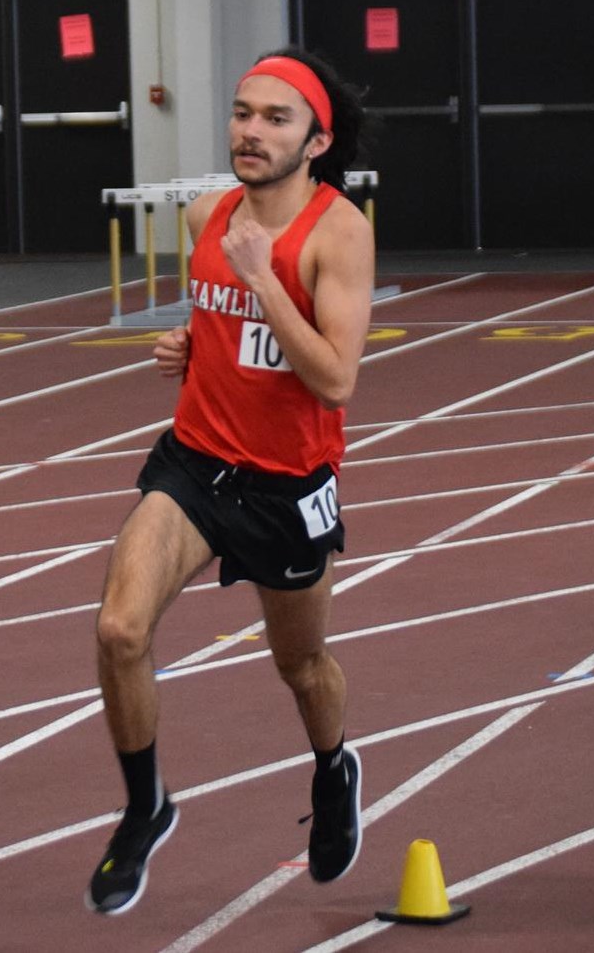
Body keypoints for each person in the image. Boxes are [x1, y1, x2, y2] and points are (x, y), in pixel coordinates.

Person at [86, 48, 376, 914]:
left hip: (287, 484)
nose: (250, 131)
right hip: (195, 462)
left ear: (316, 140)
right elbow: (223, 331)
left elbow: (333, 378)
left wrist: (262, 278)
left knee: (301, 664)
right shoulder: (211, 212)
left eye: (275, 119)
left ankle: (333, 768)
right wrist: (186, 348)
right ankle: (146, 805)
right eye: (244, 112)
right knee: (118, 630)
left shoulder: (339, 233)